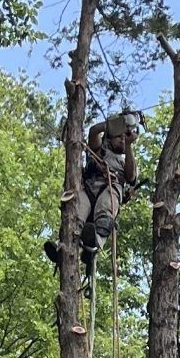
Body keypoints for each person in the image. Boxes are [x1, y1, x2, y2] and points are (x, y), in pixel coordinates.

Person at [44, 108, 140, 272]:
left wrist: (129, 145)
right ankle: (65, 248)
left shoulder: (126, 161)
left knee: (105, 208)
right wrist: (113, 125)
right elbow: (94, 131)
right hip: (89, 187)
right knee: (77, 212)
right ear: (110, 138)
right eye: (119, 137)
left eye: (125, 138)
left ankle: (94, 244)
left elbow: (131, 177)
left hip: (110, 188)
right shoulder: (98, 151)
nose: (123, 141)